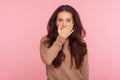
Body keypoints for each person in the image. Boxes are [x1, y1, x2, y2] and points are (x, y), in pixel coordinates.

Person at [40, 5, 89, 80]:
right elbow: (47, 60)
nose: (64, 24)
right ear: (56, 22)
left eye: (68, 20)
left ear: (73, 23)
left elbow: (84, 71)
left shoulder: (80, 43)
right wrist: (61, 39)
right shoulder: (46, 41)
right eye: (60, 20)